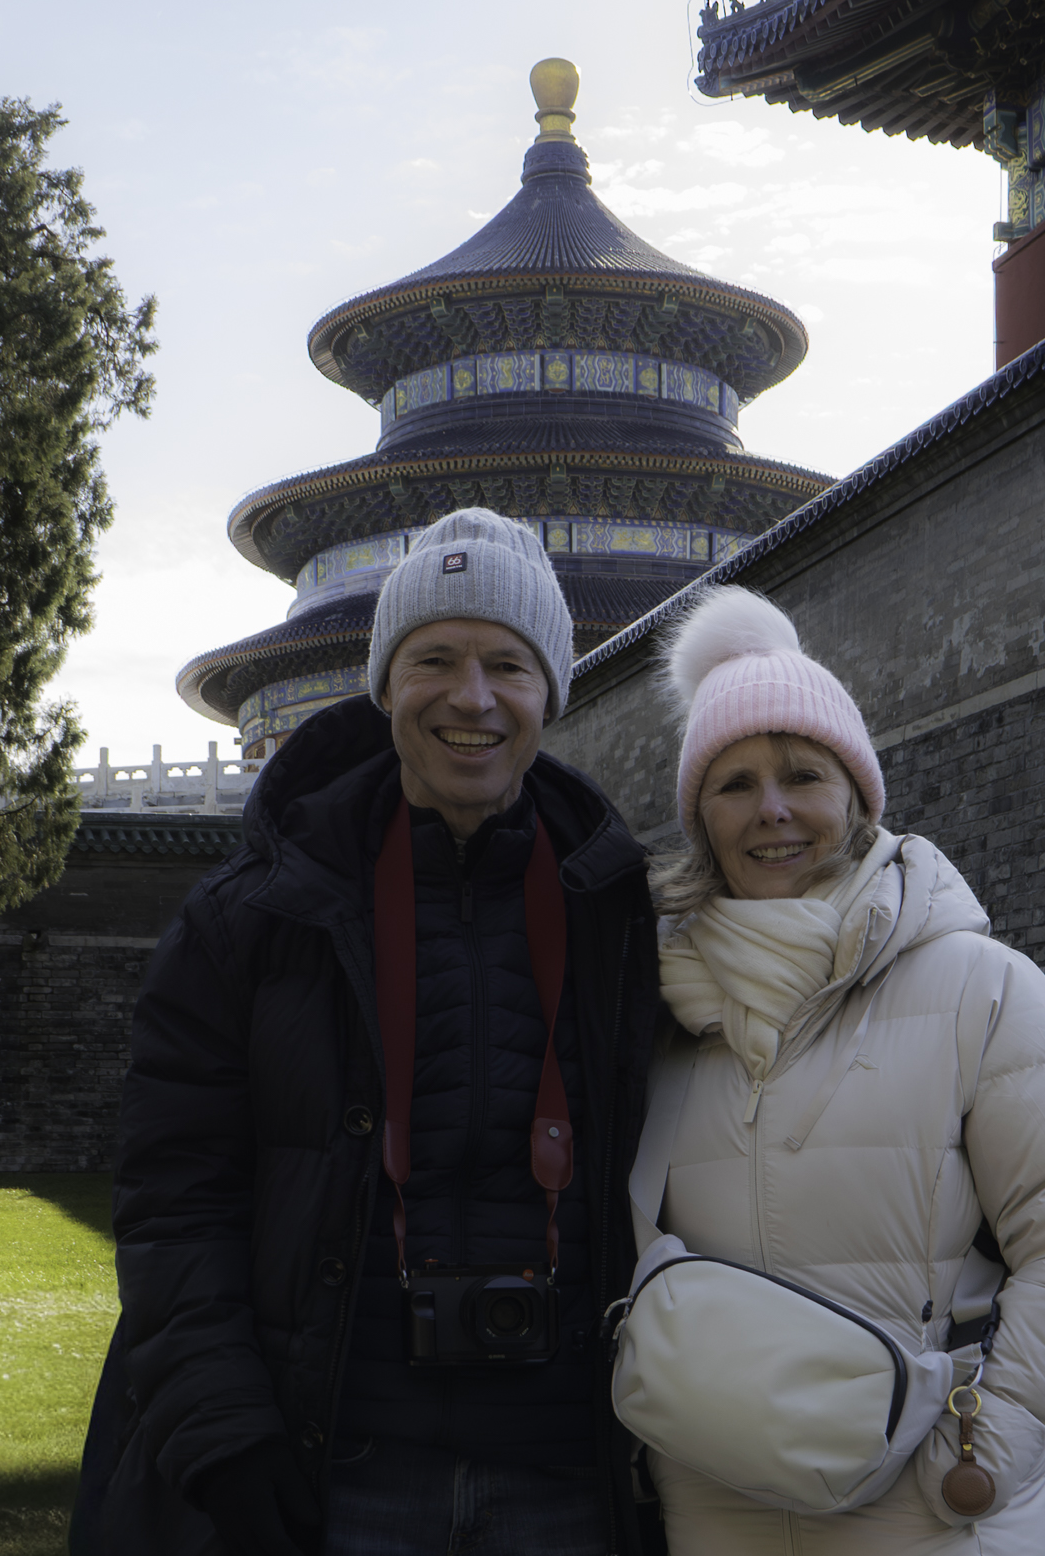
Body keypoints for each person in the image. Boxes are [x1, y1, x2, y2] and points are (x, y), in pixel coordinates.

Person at [81, 509, 668, 1556]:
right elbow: (175, 1196)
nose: (472, 697)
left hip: (567, 1472)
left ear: (552, 694)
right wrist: (224, 1429)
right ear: (385, 684)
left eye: (508, 663)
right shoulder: (253, 918)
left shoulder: (619, 911)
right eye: (433, 658)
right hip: (337, 1460)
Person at [640, 586, 1045, 1555]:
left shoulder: (981, 989)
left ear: (859, 796)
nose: (773, 808)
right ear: (700, 815)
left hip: (926, 1515)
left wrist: (984, 1451)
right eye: (734, 782)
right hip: (714, 1512)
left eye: (802, 774)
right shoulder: (658, 1012)